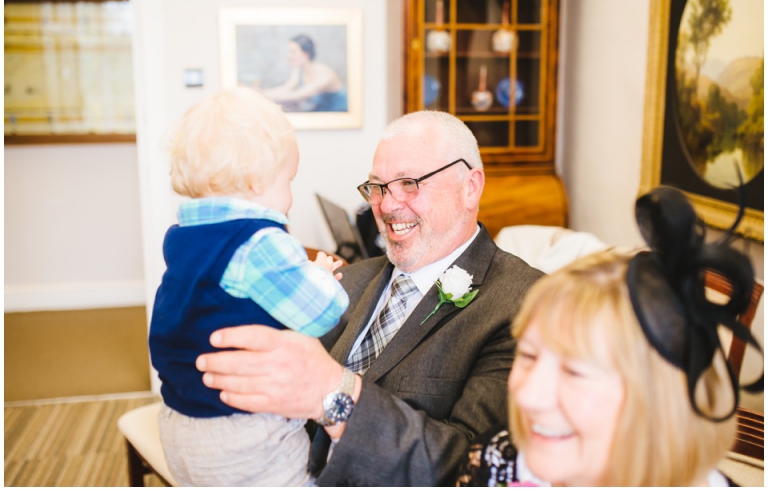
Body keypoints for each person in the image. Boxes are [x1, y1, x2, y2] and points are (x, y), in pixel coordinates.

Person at [195, 110, 544, 486]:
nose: (387, 205)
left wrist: (334, 393)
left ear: (470, 186)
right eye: (378, 186)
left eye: (409, 183)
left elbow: (471, 467)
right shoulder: (349, 279)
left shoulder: (527, 304)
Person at [456, 186, 763, 487]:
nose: (526, 395)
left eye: (574, 371)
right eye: (528, 355)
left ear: (658, 397)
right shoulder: (494, 463)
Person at [148, 87, 349, 486]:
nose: (290, 198)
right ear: (258, 181)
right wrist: (320, 276)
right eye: (288, 180)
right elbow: (324, 311)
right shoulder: (259, 242)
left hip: (179, 422)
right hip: (243, 435)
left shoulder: (183, 235)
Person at [258, 34, 348, 112]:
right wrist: (261, 92)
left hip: (340, 115)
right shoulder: (298, 70)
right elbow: (286, 88)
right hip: (321, 114)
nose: (288, 56)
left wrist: (264, 94)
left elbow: (299, 95)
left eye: (293, 52)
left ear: (306, 54)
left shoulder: (325, 74)